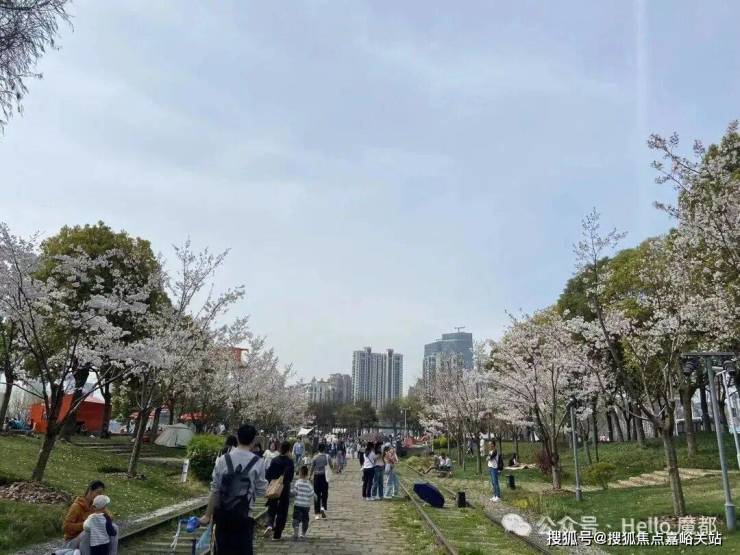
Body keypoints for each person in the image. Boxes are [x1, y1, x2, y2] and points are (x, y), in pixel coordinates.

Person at [199, 424, 267, 555]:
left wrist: (207, 516)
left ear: (237, 437)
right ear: (253, 441)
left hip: (223, 519)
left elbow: (215, 490)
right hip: (244, 519)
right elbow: (261, 491)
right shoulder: (258, 462)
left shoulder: (223, 460)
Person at [56, 480, 118, 555]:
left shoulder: (96, 506)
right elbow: (65, 527)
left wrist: (105, 516)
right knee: (87, 533)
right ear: (90, 490)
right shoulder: (76, 506)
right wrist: (86, 524)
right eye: (98, 493)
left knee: (114, 527)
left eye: (101, 494)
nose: (99, 496)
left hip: (90, 542)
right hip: (71, 543)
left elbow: (110, 518)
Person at [264, 441, 295, 540]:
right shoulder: (289, 461)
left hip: (274, 486)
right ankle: (277, 534)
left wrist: (272, 481)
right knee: (282, 510)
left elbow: (268, 474)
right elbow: (290, 477)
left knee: (272, 507)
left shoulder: (274, 460)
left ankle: (269, 524)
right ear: (288, 450)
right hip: (284, 487)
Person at [291, 466, 315, 540]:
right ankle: (303, 534)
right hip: (306, 506)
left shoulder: (297, 482)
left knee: (296, 518)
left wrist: (290, 492)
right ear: (307, 474)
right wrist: (316, 497)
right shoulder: (309, 484)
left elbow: (294, 492)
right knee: (305, 520)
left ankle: (296, 529)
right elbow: (311, 494)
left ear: (300, 474)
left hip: (298, 504)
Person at [310, 443, 329, 520]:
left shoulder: (315, 457)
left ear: (318, 449)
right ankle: (323, 507)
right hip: (325, 477)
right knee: (325, 493)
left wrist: (310, 475)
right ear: (324, 449)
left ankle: (317, 514)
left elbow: (312, 467)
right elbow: (331, 466)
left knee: (316, 495)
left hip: (317, 477)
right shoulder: (327, 457)